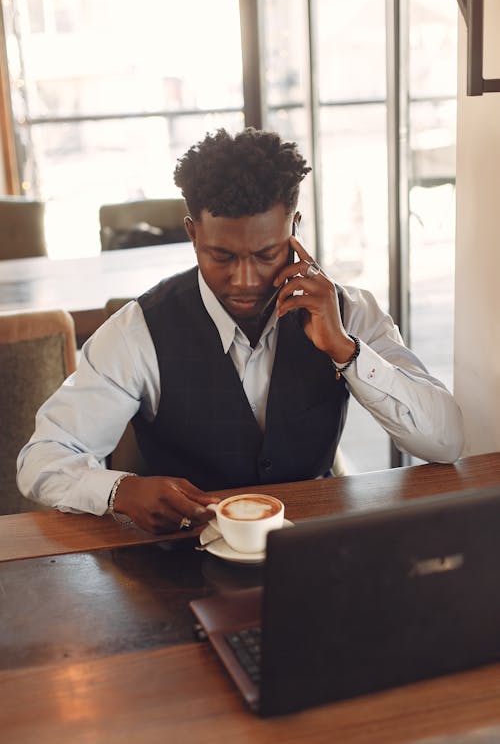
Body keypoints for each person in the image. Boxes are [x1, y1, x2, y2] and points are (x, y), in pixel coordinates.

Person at [17, 127, 464, 534]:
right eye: (223, 257)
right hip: (179, 559)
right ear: (193, 234)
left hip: (315, 546)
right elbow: (42, 459)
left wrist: (347, 351)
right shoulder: (138, 332)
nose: (246, 280)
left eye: (267, 254)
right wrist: (118, 490)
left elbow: (445, 442)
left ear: (295, 228)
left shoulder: (350, 312)